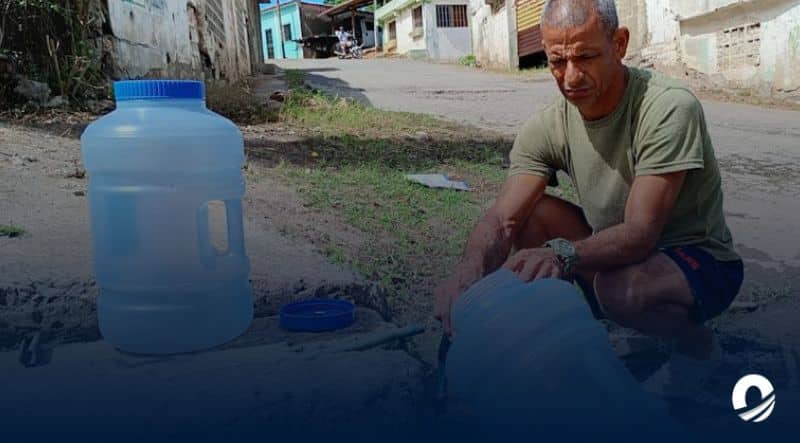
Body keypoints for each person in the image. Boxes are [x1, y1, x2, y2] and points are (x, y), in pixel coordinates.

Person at [433, 0, 743, 398]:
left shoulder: (667, 107)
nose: (571, 76)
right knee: (530, 217)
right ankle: (589, 329)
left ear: (620, 44)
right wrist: (468, 273)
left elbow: (641, 233)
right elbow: (502, 221)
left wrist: (562, 253)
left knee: (620, 291)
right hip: (618, 254)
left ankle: (697, 347)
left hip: (699, 261)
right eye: (557, 61)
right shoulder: (547, 126)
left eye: (586, 56)